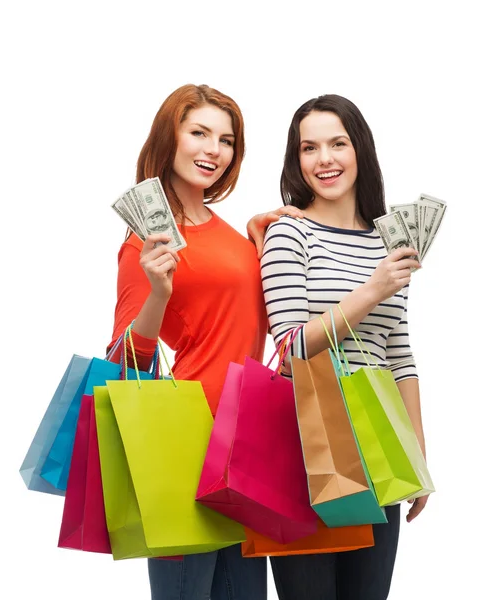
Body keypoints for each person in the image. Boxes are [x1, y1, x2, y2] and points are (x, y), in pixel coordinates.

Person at [107, 83, 302, 600]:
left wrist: (260, 241)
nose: (213, 149)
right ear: (168, 138)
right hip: (185, 446)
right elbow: (125, 364)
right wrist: (157, 293)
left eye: (226, 139)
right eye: (198, 133)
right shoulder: (145, 243)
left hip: (246, 444)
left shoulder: (234, 236)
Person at [260, 94, 429, 600]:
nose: (324, 159)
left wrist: (416, 453)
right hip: (307, 447)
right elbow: (290, 348)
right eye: (309, 148)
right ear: (297, 161)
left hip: (378, 445)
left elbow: (398, 353)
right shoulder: (288, 233)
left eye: (338, 143)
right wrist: (371, 291)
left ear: (361, 150)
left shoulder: (387, 241)